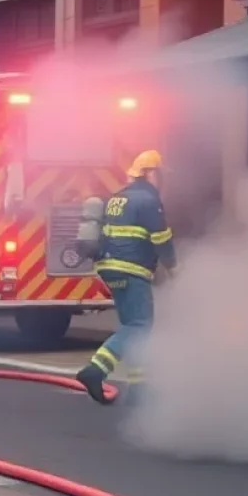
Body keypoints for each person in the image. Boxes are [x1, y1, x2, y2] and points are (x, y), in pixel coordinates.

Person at [76, 150, 177, 405]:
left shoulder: (117, 198)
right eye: (161, 174)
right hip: (131, 269)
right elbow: (161, 239)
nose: (163, 180)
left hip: (110, 267)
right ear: (151, 174)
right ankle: (95, 371)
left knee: (132, 326)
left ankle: (138, 386)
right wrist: (174, 269)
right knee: (138, 326)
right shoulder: (148, 200)